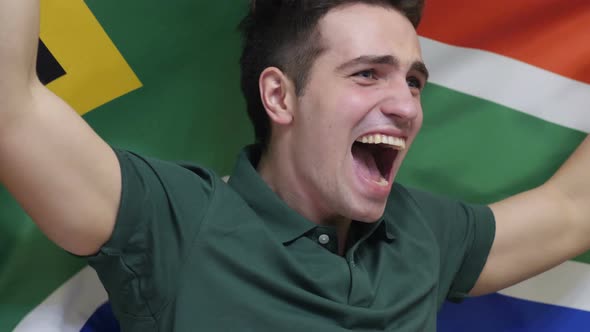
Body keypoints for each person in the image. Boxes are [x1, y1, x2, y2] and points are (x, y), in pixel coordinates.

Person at [1, 0, 589, 331]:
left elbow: (572, 209)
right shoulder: (177, 220)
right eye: (367, 73)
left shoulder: (421, 235)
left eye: (413, 81)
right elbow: (11, 110)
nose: (407, 105)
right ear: (280, 97)